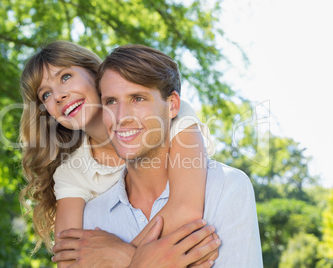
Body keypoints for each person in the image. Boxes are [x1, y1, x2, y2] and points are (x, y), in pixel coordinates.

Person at [53, 44, 263, 267]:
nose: (121, 116)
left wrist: (125, 259)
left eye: (138, 98)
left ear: (172, 106)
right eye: (111, 102)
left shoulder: (227, 187)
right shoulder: (92, 221)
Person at [19, 41, 217, 266]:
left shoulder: (168, 114)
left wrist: (120, 255)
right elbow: (68, 261)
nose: (58, 96)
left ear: (95, 74)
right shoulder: (71, 172)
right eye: (45, 95)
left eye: (65, 77)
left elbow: (185, 209)